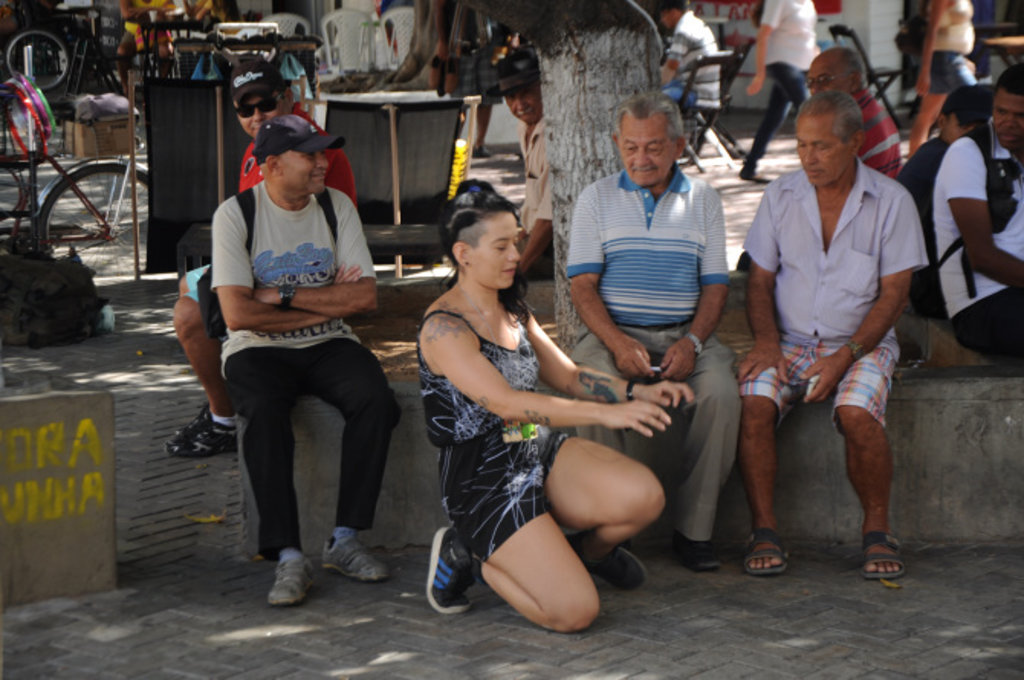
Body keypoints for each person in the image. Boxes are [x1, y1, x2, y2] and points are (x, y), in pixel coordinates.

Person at [419, 181, 690, 632]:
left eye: (517, 243)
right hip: (484, 480)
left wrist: (633, 393)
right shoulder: (444, 329)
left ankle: (583, 556)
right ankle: (470, 553)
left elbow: (567, 376)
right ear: (463, 254)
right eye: (501, 246)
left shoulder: (513, 310)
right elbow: (508, 403)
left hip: (533, 447)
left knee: (643, 497)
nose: (515, 256)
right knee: (575, 613)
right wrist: (607, 414)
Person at [212, 115, 400, 606]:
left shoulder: (336, 207)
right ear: (272, 165)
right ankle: (289, 555)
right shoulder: (235, 215)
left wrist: (284, 296)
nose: (324, 162)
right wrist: (318, 300)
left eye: (324, 153)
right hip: (255, 349)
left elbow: (363, 299)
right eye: (311, 155)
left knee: (376, 400)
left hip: (330, 342)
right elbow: (236, 314)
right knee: (264, 412)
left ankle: (344, 537)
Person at [738, 91, 926, 580]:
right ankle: (764, 529)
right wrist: (764, 342)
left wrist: (846, 356)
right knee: (754, 403)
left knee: (856, 412)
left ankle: (877, 530)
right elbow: (758, 280)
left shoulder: (891, 201)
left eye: (821, 147)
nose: (808, 158)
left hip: (861, 342)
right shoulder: (780, 196)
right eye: (801, 146)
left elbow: (894, 296)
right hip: (790, 341)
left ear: (856, 143)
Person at [567, 92, 740, 573]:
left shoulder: (704, 200)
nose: (641, 158)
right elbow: (582, 287)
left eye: (655, 147)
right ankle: (608, 525)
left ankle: (694, 531)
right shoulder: (596, 198)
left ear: (679, 145)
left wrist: (694, 343)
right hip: (614, 333)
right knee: (590, 383)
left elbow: (715, 288)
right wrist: (618, 343)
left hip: (685, 333)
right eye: (631, 147)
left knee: (722, 393)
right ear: (618, 145)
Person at [165, 59, 357, 459]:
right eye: (244, 109)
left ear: (288, 97)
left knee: (189, 314)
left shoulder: (308, 147)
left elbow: (315, 232)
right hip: (264, 264)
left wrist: (257, 285)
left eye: (266, 104)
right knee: (189, 288)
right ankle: (231, 394)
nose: (256, 116)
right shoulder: (262, 146)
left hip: (302, 269)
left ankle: (223, 419)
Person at [931, 64, 1024, 356]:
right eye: (1000, 112)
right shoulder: (967, 153)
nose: (1007, 123)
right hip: (980, 303)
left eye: (1020, 115)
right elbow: (982, 257)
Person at [488, 47, 552, 276]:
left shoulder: (553, 135)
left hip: (552, 248)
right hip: (533, 235)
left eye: (526, 93)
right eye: (511, 97)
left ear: (544, 88)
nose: (519, 104)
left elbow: (548, 221)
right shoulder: (524, 126)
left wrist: (521, 269)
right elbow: (535, 199)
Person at [740, 0, 818, 183]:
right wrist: (760, 74)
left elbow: (808, 35)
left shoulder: (808, 3)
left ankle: (749, 167)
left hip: (803, 65)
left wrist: (817, 59)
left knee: (775, 116)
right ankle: (817, 167)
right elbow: (763, 35)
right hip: (782, 63)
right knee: (809, 112)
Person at [805, 46, 902, 178]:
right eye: (810, 82)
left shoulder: (848, 124)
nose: (815, 89)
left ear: (854, 80)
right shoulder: (873, 108)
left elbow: (824, 185)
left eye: (824, 79)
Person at [431, 0, 508, 158]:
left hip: (495, 40)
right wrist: (442, 41)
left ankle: (479, 144)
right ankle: (452, 145)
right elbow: (438, 7)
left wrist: (508, 40)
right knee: (461, 99)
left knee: (490, 94)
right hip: (459, 42)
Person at [909, 0, 977, 156]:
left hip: (953, 58)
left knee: (928, 116)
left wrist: (963, 59)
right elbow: (931, 31)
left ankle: (913, 163)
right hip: (944, 59)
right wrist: (924, 71)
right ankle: (913, 164)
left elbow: (958, 28)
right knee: (980, 102)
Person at [658, 0, 719, 109]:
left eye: (663, 15)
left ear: (674, 12)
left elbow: (671, 67)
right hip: (708, 91)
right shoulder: (697, 24)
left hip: (695, 93)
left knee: (654, 100)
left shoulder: (683, 31)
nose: (662, 20)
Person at [117, 0, 177, 93]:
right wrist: (159, 11)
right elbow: (127, 14)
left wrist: (145, 10)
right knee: (122, 52)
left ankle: (160, 87)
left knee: (166, 52)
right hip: (134, 31)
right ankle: (127, 89)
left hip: (158, 32)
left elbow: (173, 11)